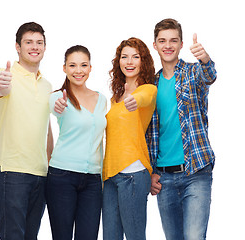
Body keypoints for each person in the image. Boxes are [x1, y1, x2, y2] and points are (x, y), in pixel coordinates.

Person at [146, 18, 217, 240]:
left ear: (181, 44)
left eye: (173, 40)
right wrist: (151, 172)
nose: (168, 45)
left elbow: (209, 75)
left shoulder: (192, 73)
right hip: (164, 178)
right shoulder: (151, 85)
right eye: (162, 41)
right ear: (155, 45)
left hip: (196, 172)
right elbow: (149, 134)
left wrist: (205, 59)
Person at [0, 22, 53, 240]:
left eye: (39, 43)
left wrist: (51, 164)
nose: (34, 47)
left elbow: (46, 129)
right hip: (12, 172)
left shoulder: (47, 85)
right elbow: (0, 87)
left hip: (40, 174)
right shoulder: (5, 74)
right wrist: (2, 83)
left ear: (45, 48)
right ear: (18, 47)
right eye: (29, 42)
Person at [46, 45, 107, 240]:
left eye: (83, 65)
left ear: (90, 68)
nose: (78, 70)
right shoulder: (57, 98)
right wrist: (58, 106)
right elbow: (46, 117)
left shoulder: (102, 99)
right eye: (72, 65)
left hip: (93, 180)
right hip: (62, 176)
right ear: (64, 68)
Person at [102, 37, 157, 240]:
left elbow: (143, 99)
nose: (129, 61)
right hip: (109, 177)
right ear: (119, 62)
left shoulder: (148, 90)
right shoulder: (115, 98)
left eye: (135, 57)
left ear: (143, 61)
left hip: (133, 175)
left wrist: (133, 99)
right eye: (124, 57)